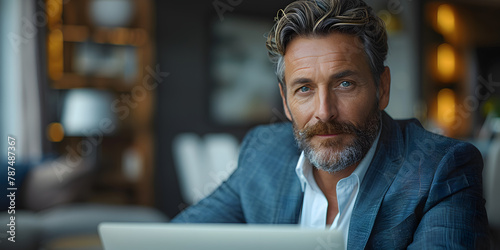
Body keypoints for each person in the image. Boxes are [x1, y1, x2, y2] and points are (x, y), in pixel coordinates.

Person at [172, 0, 490, 248]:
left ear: (383, 88)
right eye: (305, 88)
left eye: (345, 84)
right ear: (285, 100)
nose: (324, 112)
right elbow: (175, 240)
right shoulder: (263, 153)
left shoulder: (441, 169)